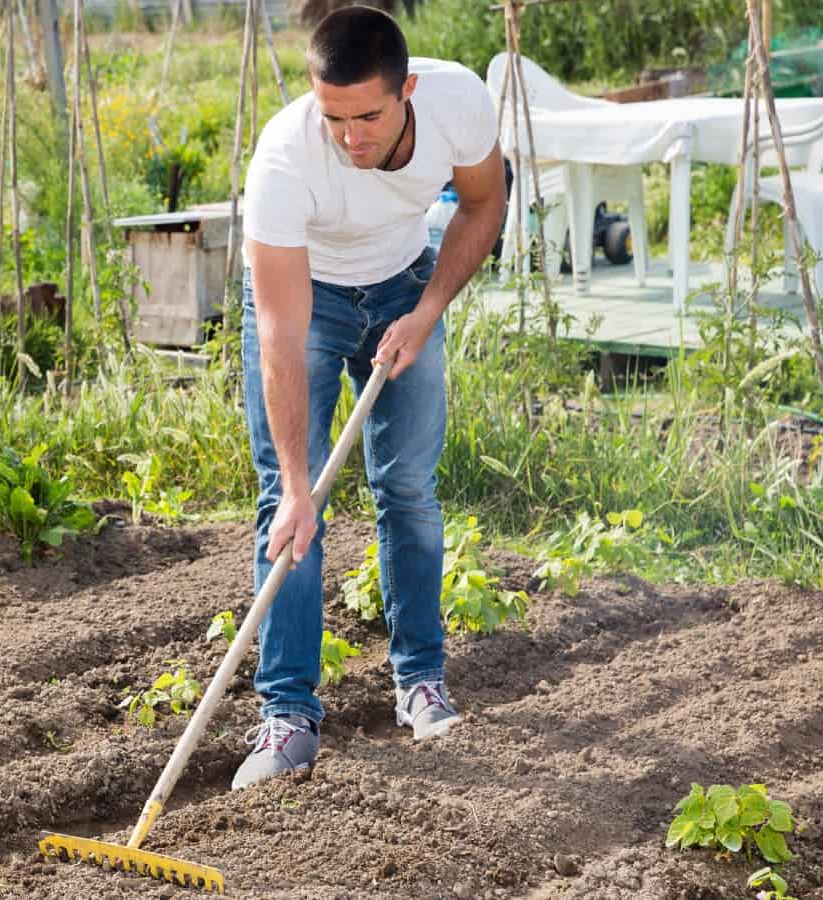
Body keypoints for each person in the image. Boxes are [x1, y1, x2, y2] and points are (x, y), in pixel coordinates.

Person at [232, 5, 505, 790]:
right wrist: (294, 486)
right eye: (334, 117)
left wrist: (425, 313)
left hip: (404, 285)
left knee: (408, 490)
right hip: (307, 303)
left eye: (369, 116)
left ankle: (420, 680)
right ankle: (288, 715)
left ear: (408, 89)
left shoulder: (457, 102)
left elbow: (483, 202)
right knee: (290, 512)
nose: (351, 136)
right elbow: (282, 337)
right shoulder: (283, 162)